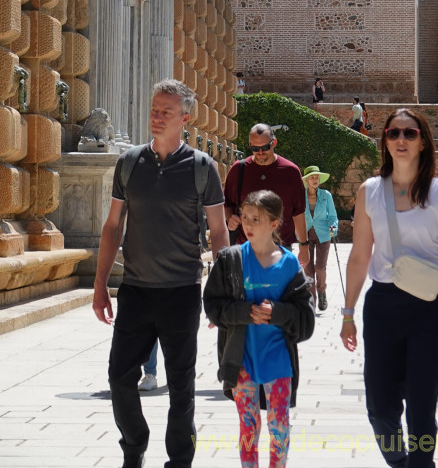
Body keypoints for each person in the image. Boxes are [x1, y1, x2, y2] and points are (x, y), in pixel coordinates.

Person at [93, 79, 229, 468]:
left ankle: (179, 461)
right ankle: (134, 447)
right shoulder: (130, 162)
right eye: (154, 109)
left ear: (184, 118)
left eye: (165, 111)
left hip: (182, 292)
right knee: (120, 377)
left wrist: (220, 290)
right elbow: (112, 227)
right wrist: (100, 286)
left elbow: (219, 231)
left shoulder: (203, 167)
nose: (156, 116)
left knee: (182, 388)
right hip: (134, 290)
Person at [341, 109, 438, 468]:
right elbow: (359, 256)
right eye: (393, 133)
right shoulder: (370, 191)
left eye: (409, 134)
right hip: (383, 304)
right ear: (384, 140)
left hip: (430, 306)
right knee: (380, 407)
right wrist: (347, 313)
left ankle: (420, 464)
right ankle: (400, 463)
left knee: (421, 404)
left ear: (423, 141)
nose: (401, 140)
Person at [203, 190, 315, 468]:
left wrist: (277, 313)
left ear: (275, 224)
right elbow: (213, 304)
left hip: (279, 362)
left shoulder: (290, 264)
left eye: (257, 219)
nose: (248, 224)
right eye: (245, 217)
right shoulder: (230, 260)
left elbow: (306, 318)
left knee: (279, 427)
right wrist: (243, 313)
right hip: (242, 361)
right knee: (248, 427)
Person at [224, 124, 309, 267]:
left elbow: (298, 213)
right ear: (250, 145)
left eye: (265, 147)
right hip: (245, 248)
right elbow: (227, 203)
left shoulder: (291, 172)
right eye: (255, 149)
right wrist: (229, 219)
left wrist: (304, 246)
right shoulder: (238, 170)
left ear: (274, 143)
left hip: (280, 248)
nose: (260, 152)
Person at [302, 165, 338, 311]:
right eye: (312, 177)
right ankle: (311, 300)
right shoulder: (300, 195)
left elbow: (333, 216)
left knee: (320, 268)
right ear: (307, 180)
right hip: (305, 235)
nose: (315, 180)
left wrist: (333, 229)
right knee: (308, 270)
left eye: (317, 177)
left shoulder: (326, 195)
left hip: (323, 235)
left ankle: (322, 292)